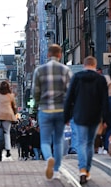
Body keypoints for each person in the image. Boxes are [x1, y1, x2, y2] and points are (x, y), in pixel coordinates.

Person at [64, 56, 109, 184]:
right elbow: (105, 100)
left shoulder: (77, 78)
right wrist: (106, 118)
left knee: (81, 143)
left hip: (79, 115)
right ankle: (87, 170)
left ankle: (82, 169)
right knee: (90, 143)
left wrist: (66, 116)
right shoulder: (100, 79)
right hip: (95, 116)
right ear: (94, 65)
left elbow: (69, 99)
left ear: (84, 65)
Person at [32, 44, 72, 179]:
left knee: (45, 141)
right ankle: (56, 171)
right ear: (60, 55)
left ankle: (49, 157)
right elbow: (69, 93)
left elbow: (35, 92)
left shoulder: (39, 70)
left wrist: (39, 103)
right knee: (59, 141)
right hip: (61, 109)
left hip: (45, 109)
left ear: (48, 55)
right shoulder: (65, 70)